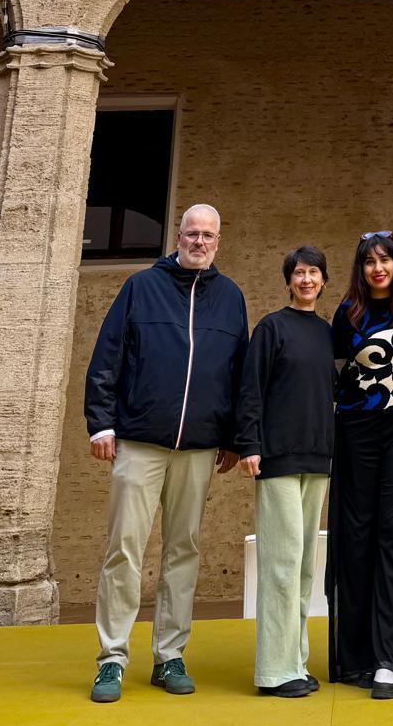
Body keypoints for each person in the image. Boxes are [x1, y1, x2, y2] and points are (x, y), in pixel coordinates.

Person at [84, 203, 248, 705]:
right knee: (124, 551)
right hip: (138, 440)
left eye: (208, 235)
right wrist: (101, 423)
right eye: (192, 233)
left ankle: (169, 655)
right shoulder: (141, 287)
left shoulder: (230, 298)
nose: (199, 242)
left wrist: (233, 437)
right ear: (178, 236)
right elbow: (107, 354)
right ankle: (112, 658)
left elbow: (238, 375)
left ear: (219, 241)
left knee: (183, 553)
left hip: (198, 448)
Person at [327, 233, 393, 700]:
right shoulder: (345, 313)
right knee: (357, 534)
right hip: (355, 432)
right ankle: (356, 657)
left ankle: (392, 659)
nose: (377, 268)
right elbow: (331, 373)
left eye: (384, 259)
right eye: (369, 261)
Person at [236, 246, 336, 699]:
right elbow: (251, 389)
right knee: (280, 564)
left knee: (302, 569)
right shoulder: (271, 328)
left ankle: (295, 660)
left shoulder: (327, 333)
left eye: (314, 272)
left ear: (323, 280)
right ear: (289, 280)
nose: (307, 279)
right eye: (299, 272)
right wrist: (250, 445)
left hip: (319, 459)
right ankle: (274, 671)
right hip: (276, 459)